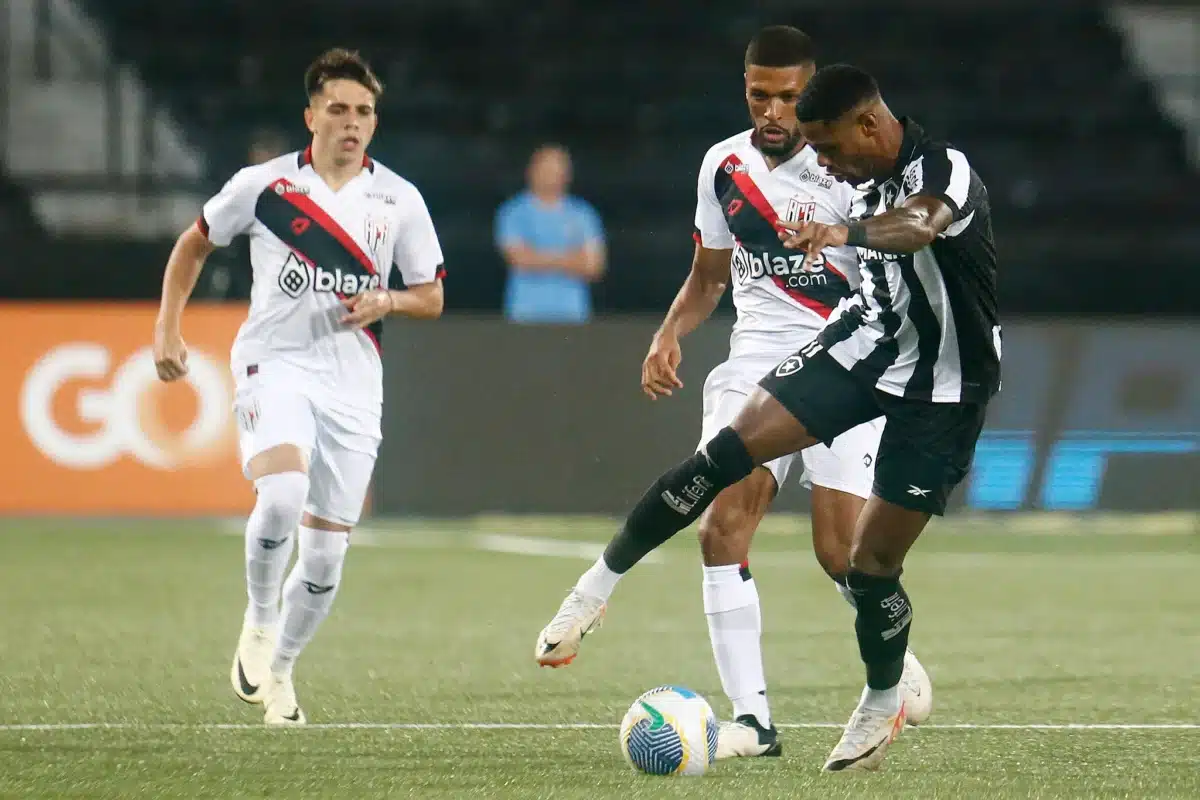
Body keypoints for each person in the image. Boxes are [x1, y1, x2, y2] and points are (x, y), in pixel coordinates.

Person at [538, 63, 999, 772]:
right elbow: (713, 270)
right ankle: (591, 591)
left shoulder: (945, 171)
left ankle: (883, 698)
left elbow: (919, 227)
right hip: (860, 346)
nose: (825, 164)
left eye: (834, 148)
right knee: (722, 458)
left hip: (943, 385)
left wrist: (840, 230)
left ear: (871, 126)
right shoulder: (806, 169)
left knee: (866, 566)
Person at [152, 48, 445, 725]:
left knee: (325, 555)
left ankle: (280, 671)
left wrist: (389, 303)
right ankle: (259, 619)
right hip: (275, 361)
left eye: (364, 112)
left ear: (375, 122)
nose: (352, 123)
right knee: (281, 492)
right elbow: (194, 243)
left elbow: (430, 294)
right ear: (310, 114)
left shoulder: (398, 199)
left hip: (354, 383)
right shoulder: (263, 187)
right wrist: (169, 328)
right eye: (338, 109)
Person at [494, 145, 606, 323]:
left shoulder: (583, 214)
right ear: (531, 171)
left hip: (572, 316)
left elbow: (594, 265)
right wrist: (570, 258)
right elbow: (519, 259)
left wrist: (539, 256)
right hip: (525, 314)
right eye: (546, 169)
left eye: (557, 170)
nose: (551, 175)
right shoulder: (513, 212)